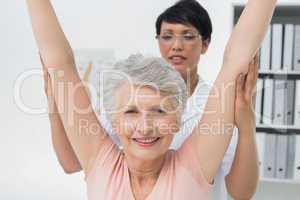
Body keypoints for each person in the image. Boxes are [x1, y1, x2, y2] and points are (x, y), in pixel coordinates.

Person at [26, 0, 277, 199]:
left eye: (158, 112)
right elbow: (60, 63)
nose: (145, 127)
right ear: (114, 120)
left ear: (178, 119)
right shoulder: (101, 164)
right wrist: (55, 103)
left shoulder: (193, 167)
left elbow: (235, 63)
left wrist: (246, 124)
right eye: (131, 112)